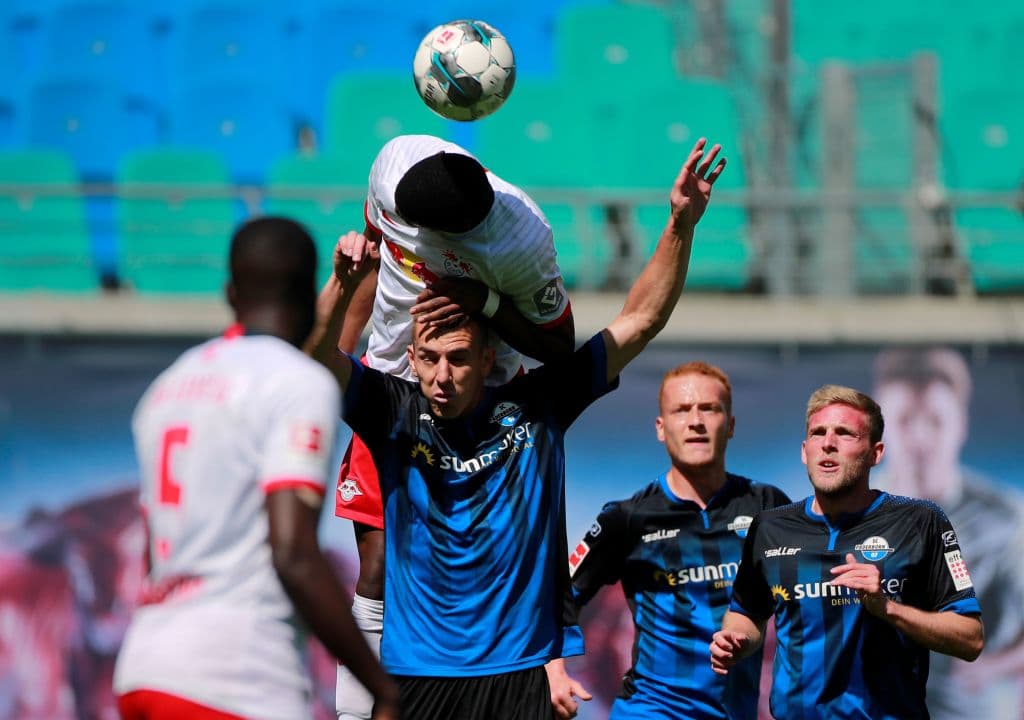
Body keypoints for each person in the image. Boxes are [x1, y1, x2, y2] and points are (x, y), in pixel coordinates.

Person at [309, 138, 727, 719]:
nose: (442, 376)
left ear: (489, 360)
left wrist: (681, 223)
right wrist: (343, 280)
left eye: (457, 358)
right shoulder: (393, 411)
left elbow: (640, 321)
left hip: (520, 678)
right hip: (418, 678)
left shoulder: (537, 406)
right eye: (428, 359)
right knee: (372, 572)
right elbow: (316, 361)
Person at [112, 217, 400, 720]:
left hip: (145, 667)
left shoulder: (168, 388)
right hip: (236, 676)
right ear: (306, 290)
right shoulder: (295, 384)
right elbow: (293, 552)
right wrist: (382, 687)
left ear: (229, 291)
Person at [330, 134, 576, 719]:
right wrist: (341, 362)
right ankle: (352, 713)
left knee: (467, 569)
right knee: (377, 564)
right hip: (391, 386)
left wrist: (485, 303)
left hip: (485, 404)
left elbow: (560, 345)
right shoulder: (391, 163)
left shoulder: (521, 237)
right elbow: (370, 262)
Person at [710, 384, 985, 719]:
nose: (828, 443)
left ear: (876, 452)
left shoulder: (922, 520)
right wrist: (736, 639)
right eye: (818, 433)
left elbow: (970, 639)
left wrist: (888, 608)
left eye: (845, 433)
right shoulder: (769, 527)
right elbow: (747, 614)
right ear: (804, 451)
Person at [545, 361, 791, 719]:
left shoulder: (768, 506)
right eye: (682, 410)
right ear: (661, 428)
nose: (696, 421)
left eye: (709, 408)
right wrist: (553, 671)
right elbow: (559, 596)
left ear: (731, 425)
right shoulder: (626, 518)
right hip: (651, 710)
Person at [873, 347, 1024, 719]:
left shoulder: (1006, 518)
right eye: (905, 420)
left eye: (936, 421)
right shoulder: (844, 513)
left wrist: (990, 667)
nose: (921, 438)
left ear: (961, 424)